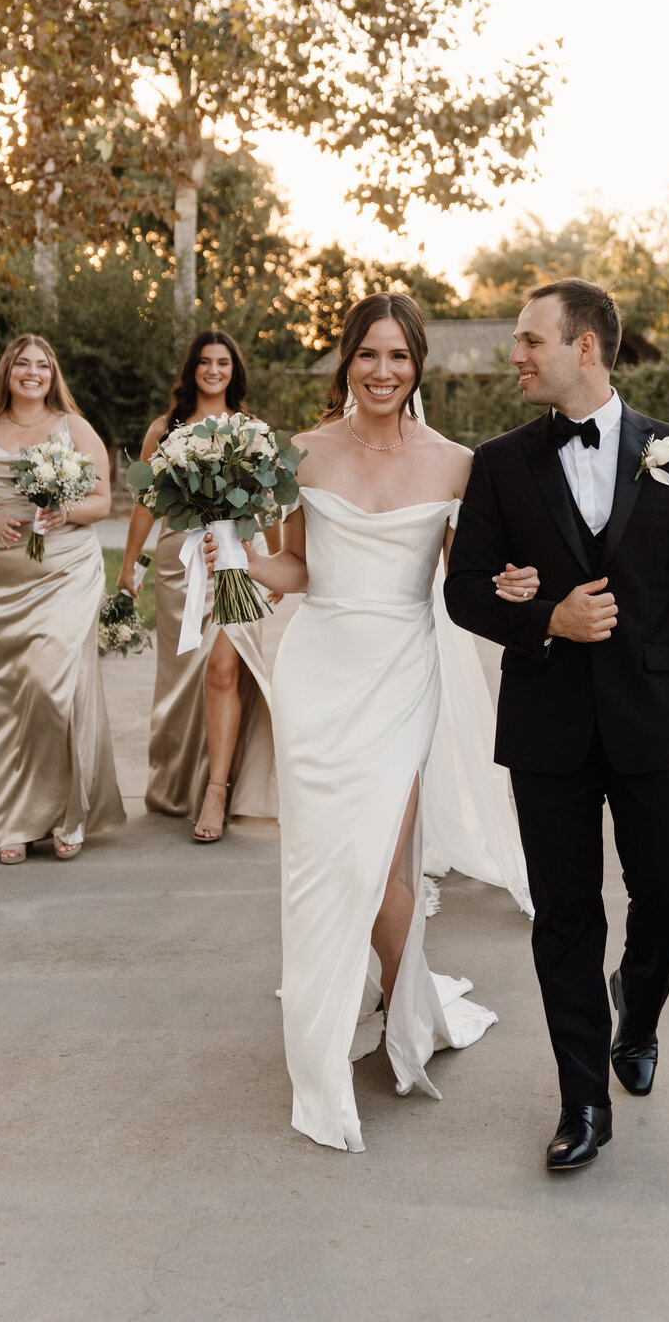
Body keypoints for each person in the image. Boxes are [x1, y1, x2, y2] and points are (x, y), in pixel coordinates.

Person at [205, 292, 534, 1153]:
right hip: (322, 670)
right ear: (345, 362)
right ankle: (349, 1028)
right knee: (320, 858)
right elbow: (298, 569)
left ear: (418, 363)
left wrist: (513, 586)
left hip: (402, 673)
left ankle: (401, 1007)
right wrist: (231, 551)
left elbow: (471, 578)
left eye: (398, 357)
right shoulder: (300, 454)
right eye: (367, 356)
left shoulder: (460, 464)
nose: (382, 372)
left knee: (384, 858)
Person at [445, 279, 669, 1173]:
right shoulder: (498, 462)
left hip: (659, 717)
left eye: (531, 340)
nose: (516, 355)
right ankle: (581, 1098)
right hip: (549, 727)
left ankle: (637, 1013)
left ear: (584, 348)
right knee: (565, 914)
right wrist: (544, 621)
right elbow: (465, 592)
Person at [0, 334, 125, 863]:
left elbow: (100, 499)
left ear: (53, 374)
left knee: (52, 687)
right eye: (22, 364)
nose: (31, 372)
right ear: (6, 372)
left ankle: (67, 812)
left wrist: (63, 513)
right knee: (4, 697)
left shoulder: (75, 427)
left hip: (65, 571)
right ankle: (10, 822)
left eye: (42, 365)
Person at [119, 330, 282, 843]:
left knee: (223, 671)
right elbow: (145, 503)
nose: (214, 370)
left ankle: (217, 790)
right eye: (205, 362)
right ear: (192, 369)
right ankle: (181, 781)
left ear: (235, 370)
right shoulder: (164, 429)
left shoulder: (254, 430)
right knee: (184, 681)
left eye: (224, 362)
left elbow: (271, 499)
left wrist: (277, 561)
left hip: (238, 563)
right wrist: (130, 567)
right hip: (179, 566)